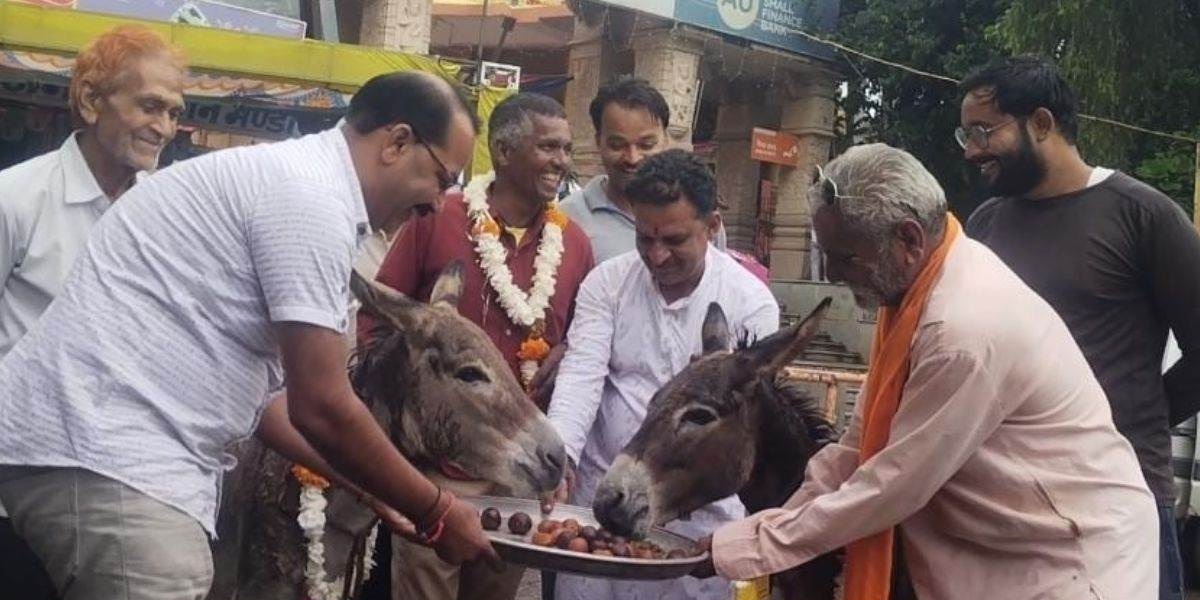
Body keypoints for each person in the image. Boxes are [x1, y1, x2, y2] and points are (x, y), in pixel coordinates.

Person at [0, 71, 499, 600]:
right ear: (397, 143)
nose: (438, 205)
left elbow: (272, 405)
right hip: (110, 459)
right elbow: (322, 406)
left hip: (106, 459)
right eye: (443, 179)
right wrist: (437, 511)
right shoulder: (312, 198)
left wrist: (374, 487)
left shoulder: (302, 183)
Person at [693, 143, 1158, 599]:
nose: (832, 273)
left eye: (845, 257)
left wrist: (746, 547)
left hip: (1068, 562)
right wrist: (768, 528)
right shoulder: (913, 296)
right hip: (1004, 552)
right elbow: (856, 450)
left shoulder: (962, 328)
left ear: (909, 241)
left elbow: (890, 486)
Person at [960, 55, 1200, 600]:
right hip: (1006, 502)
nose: (972, 150)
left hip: (1120, 501)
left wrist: (1138, 417)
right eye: (966, 134)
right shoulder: (986, 226)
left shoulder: (1144, 216)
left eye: (984, 131)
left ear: (1041, 124)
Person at [366, 92, 593, 600]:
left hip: (521, 470)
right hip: (436, 474)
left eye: (566, 148)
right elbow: (377, 324)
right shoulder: (437, 217)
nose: (562, 161)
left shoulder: (574, 243)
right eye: (548, 147)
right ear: (504, 152)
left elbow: (583, 346)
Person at [0, 23, 187, 599]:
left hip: (123, 494)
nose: (164, 127)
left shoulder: (169, 213)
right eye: (150, 106)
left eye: (176, 113)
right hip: (17, 495)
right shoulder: (16, 199)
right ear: (89, 100)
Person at [548, 149, 779, 600]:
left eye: (674, 240)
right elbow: (581, 373)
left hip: (698, 521)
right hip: (606, 502)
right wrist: (562, 458)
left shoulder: (750, 302)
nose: (656, 256)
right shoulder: (607, 284)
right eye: (644, 238)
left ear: (712, 227)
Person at [561, 76, 727, 264]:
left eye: (646, 145)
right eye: (617, 145)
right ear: (598, 141)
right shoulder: (568, 218)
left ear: (665, 139)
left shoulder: (700, 213)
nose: (633, 158)